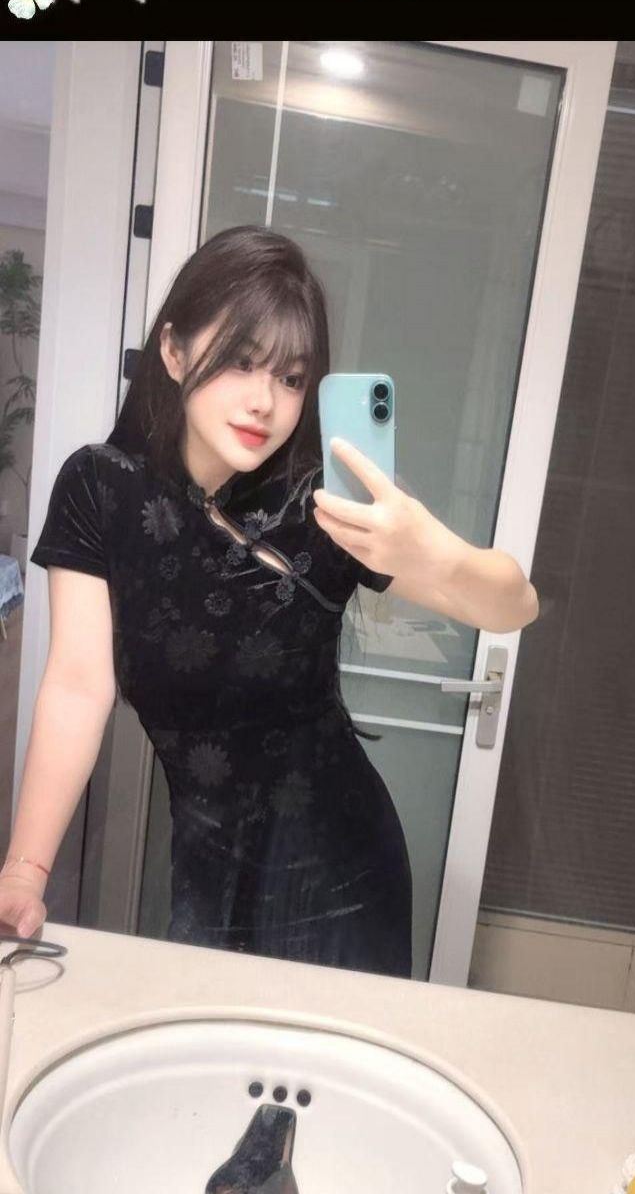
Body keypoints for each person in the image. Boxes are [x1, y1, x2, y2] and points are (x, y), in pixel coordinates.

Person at [0, 225, 539, 977]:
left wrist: (433, 553)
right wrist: (25, 869)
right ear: (174, 351)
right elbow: (77, 686)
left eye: (290, 378)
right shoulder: (101, 488)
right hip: (208, 871)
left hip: (344, 875)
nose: (265, 401)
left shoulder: (322, 504)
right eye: (240, 362)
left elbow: (514, 606)